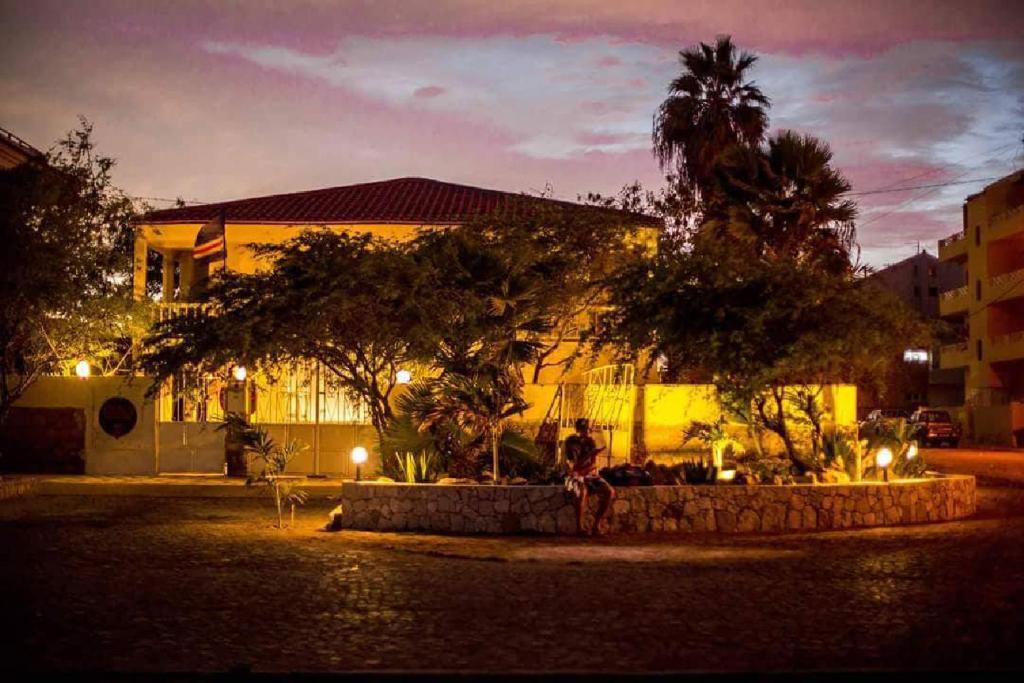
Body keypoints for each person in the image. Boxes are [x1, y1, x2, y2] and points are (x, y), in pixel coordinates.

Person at [563, 418, 616, 535]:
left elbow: (594, 464)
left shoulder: (591, 442)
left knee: (609, 491)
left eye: (587, 429)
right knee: (582, 492)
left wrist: (590, 460)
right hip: (576, 476)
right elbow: (572, 466)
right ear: (578, 430)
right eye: (583, 429)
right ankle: (579, 527)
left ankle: (596, 525)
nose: (586, 431)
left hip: (589, 474)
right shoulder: (571, 442)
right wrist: (587, 457)